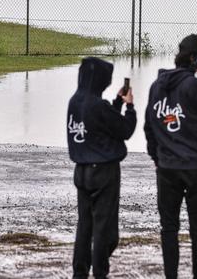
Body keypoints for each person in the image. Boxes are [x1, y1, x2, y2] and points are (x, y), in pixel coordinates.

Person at [144, 34, 197, 279]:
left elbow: (149, 127)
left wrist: (158, 158)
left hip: (167, 167)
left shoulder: (157, 86)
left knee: (169, 228)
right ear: (194, 58)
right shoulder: (194, 85)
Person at [67, 57, 136, 279]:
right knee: (104, 229)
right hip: (104, 172)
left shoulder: (75, 102)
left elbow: (99, 123)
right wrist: (130, 107)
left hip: (82, 170)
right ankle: (100, 273)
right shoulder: (98, 105)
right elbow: (124, 129)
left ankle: (80, 273)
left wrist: (116, 103)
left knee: (84, 227)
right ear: (100, 81)